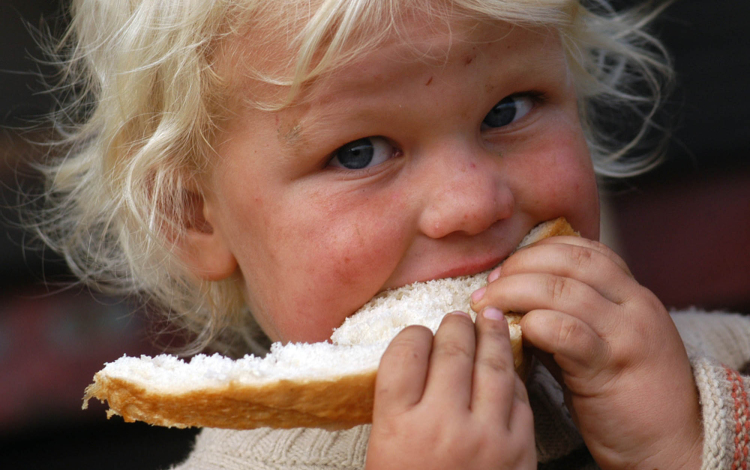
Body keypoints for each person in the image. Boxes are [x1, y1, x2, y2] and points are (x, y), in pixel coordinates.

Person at [32, 0, 750, 468]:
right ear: (194, 217)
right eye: (361, 152)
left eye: (510, 108)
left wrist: (688, 444)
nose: (472, 203)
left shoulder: (705, 366)